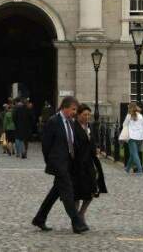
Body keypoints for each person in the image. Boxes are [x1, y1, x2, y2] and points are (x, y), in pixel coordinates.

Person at [32, 96, 87, 234]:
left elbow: (74, 143)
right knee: (68, 193)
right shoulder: (53, 122)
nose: (75, 112)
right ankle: (77, 222)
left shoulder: (71, 122)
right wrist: (51, 162)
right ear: (65, 107)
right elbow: (46, 145)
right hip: (58, 164)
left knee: (55, 192)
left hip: (69, 163)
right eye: (73, 109)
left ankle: (39, 218)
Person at [71, 104, 107, 227]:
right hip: (77, 164)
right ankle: (76, 220)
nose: (87, 117)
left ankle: (81, 213)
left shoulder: (89, 127)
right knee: (77, 193)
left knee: (92, 191)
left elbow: (92, 142)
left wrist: (96, 150)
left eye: (88, 115)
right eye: (84, 115)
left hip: (89, 164)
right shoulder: (73, 127)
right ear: (78, 115)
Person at [121, 102, 143, 175]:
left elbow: (124, 125)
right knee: (133, 154)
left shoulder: (129, 116)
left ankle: (140, 170)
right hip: (140, 137)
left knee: (134, 154)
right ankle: (127, 168)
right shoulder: (140, 116)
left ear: (130, 108)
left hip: (132, 137)